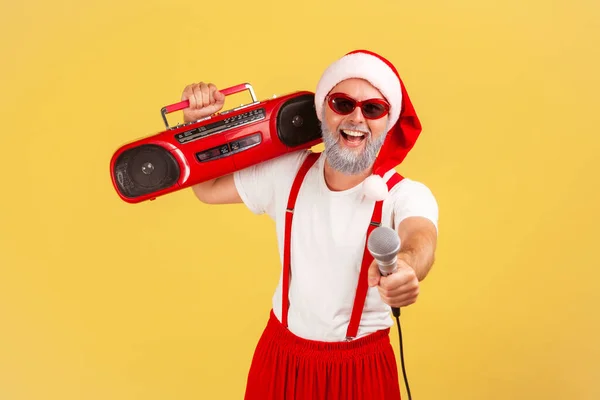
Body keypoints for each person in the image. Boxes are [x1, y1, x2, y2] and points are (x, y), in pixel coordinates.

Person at [181, 49, 439, 399]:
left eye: (373, 108)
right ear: (322, 110)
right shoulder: (287, 171)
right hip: (281, 359)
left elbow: (421, 238)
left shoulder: (404, 194)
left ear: (388, 122)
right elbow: (208, 188)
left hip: (361, 368)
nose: (357, 117)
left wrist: (407, 265)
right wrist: (199, 126)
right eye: (342, 103)